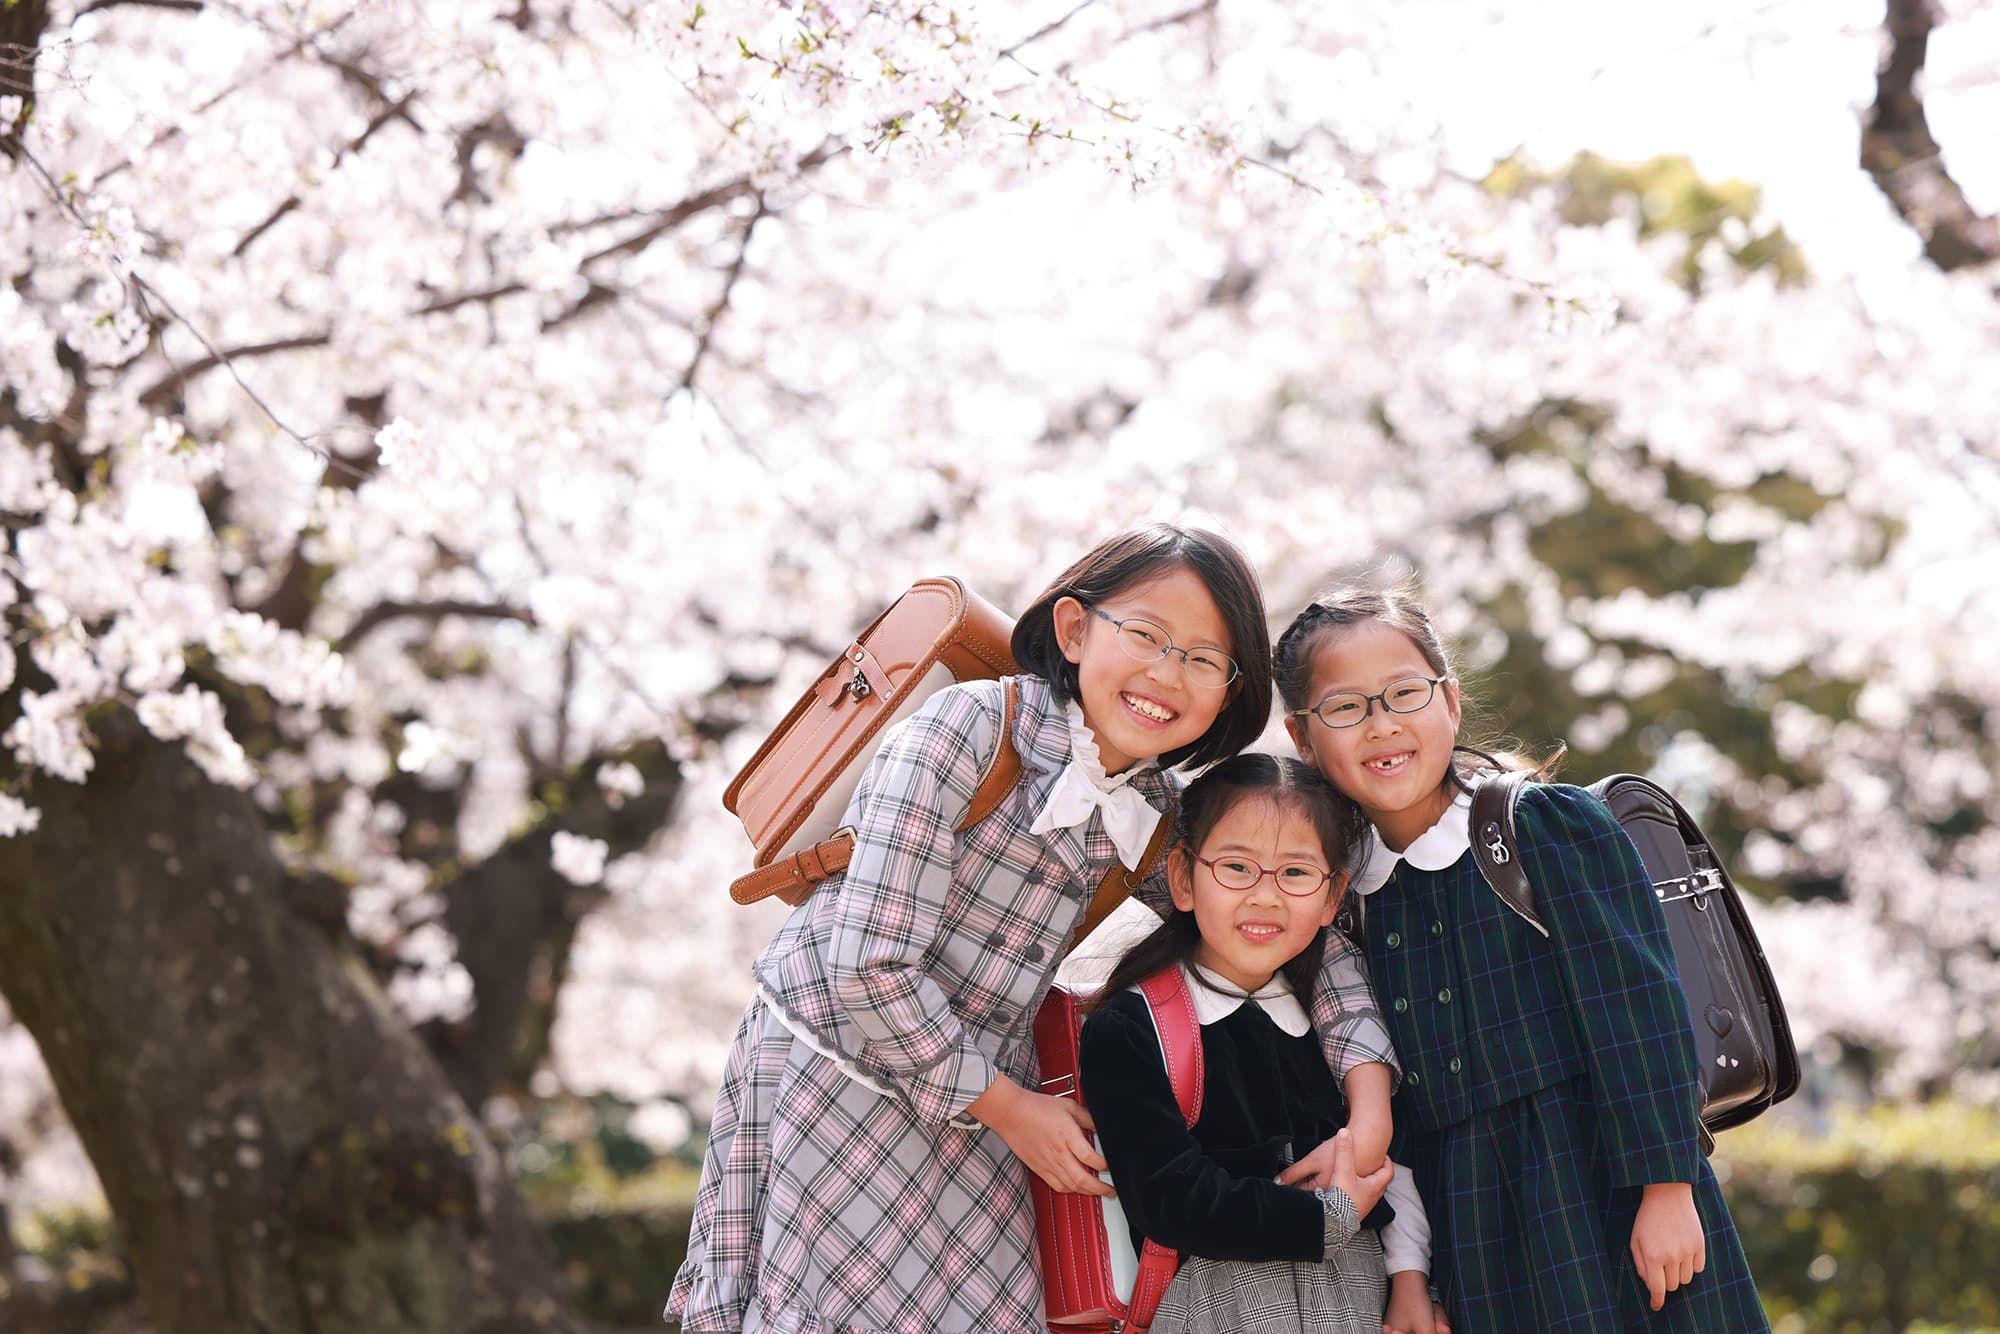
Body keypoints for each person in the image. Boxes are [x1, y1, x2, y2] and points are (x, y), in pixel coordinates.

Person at [667, 525, 1396, 1333]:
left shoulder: (1152, 811)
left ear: (1229, 692)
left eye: (1203, 659)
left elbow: (1288, 930)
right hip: (842, 1069)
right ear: (1075, 630)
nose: (1166, 674)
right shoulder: (969, 728)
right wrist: (1014, 1112)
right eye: (1146, 635)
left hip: (988, 1096)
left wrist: (1369, 1099)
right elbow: (868, 966)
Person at [1273, 584, 1771, 1332]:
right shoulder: (1346, 894)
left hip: (1609, 1185)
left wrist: (1668, 1188)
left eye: (1404, 693)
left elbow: (1637, 1009)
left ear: (1449, 702)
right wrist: (1412, 1271)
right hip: (1473, 1228)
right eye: (1345, 707)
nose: (1382, 725)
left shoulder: (1541, 826)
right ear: (1303, 738)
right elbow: (1393, 1110)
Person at [1079, 753, 1450, 1334]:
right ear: (1183, 878)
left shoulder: (1337, 1025)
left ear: (1332, 896)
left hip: (1359, 1306)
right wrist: (1326, 1216)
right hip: (1220, 1310)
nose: (1266, 896)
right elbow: (1170, 1200)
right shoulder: (1133, 1026)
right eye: (1237, 867)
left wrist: (1410, 1280)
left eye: (1296, 873)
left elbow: (1391, 1162)